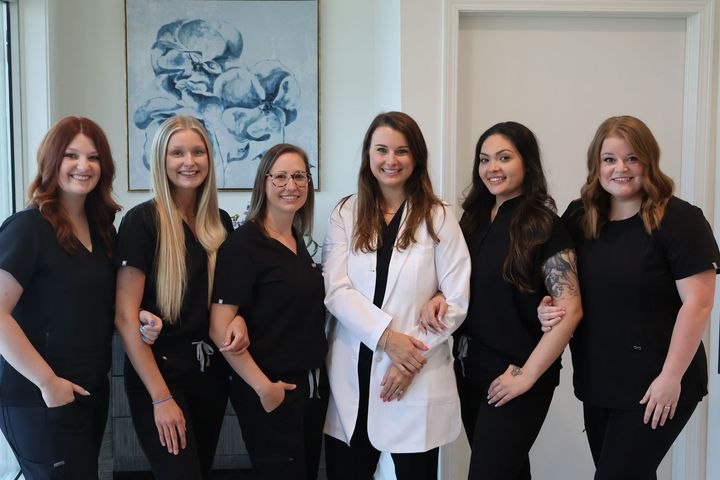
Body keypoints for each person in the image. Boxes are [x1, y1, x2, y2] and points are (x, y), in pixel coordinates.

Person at [539, 115, 719, 479]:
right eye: (609, 159)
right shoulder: (580, 216)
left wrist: (670, 379)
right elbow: (564, 285)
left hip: (659, 381)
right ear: (596, 165)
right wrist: (547, 307)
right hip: (599, 379)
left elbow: (698, 303)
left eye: (632, 158)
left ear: (649, 162)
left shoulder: (681, 220)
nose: (620, 168)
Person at [322, 111, 471, 480]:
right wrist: (387, 339)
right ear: (368, 155)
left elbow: (456, 298)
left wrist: (409, 359)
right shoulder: (345, 212)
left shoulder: (439, 216)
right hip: (352, 372)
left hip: (416, 373)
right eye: (382, 150)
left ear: (416, 157)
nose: (391, 160)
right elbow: (336, 290)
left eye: (402, 151)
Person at [454, 121, 582, 480]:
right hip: (468, 371)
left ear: (527, 163)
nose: (492, 168)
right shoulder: (472, 220)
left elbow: (571, 310)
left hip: (515, 375)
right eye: (484, 159)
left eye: (504, 157)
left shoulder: (545, 224)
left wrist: (526, 376)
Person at [114, 115, 234, 479]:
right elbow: (124, 315)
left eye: (198, 152)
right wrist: (161, 398)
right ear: (161, 160)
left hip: (211, 377)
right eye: (177, 152)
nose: (189, 162)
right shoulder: (141, 222)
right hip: (162, 378)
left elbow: (226, 299)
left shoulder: (221, 222)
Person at [0, 116, 120, 478]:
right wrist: (48, 384)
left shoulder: (102, 231)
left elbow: (90, 303)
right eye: (72, 155)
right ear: (52, 161)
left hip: (88, 393)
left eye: (94, 157)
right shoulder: (28, 228)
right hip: (39, 397)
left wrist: (142, 318)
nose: (84, 166)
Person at [209, 143, 328, 479]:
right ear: (263, 183)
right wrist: (264, 388)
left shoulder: (297, 240)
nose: (291, 186)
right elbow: (219, 327)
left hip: (309, 387)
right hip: (271, 388)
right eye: (280, 177)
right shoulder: (243, 245)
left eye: (299, 176)